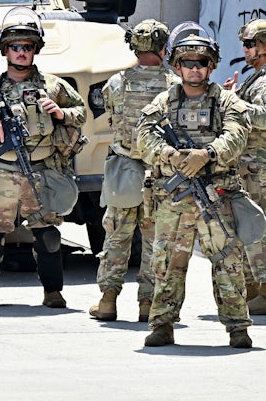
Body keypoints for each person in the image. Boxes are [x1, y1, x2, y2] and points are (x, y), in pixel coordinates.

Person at [0, 6, 86, 309]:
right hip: (2, 170)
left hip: (42, 170)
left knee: (48, 235)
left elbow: (80, 112)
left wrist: (61, 113)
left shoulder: (53, 86)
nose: (21, 52)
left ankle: (53, 292)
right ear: (5, 50)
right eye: (15, 46)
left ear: (35, 49)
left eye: (27, 47)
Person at [136, 32, 254, 348]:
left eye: (201, 62)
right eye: (187, 63)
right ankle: (162, 325)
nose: (194, 69)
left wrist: (208, 154)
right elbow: (144, 136)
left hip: (216, 195)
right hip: (174, 200)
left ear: (211, 66)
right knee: (167, 263)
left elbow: (237, 134)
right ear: (177, 66)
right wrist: (170, 155)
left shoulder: (227, 101)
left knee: (228, 262)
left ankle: (238, 328)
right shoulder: (164, 102)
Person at [89, 19, 179, 322]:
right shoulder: (175, 86)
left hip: (123, 169)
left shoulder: (116, 83)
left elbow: (112, 119)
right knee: (155, 240)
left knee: (117, 236)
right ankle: (147, 304)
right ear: (163, 48)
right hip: (162, 173)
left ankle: (107, 301)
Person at [224, 18, 266, 316]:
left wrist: (233, 102)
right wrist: (235, 95)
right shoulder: (258, 78)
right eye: (245, 43)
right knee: (248, 225)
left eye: (250, 44)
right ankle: (253, 288)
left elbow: (264, 117)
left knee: (259, 226)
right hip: (251, 164)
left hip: (261, 166)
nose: (245, 49)